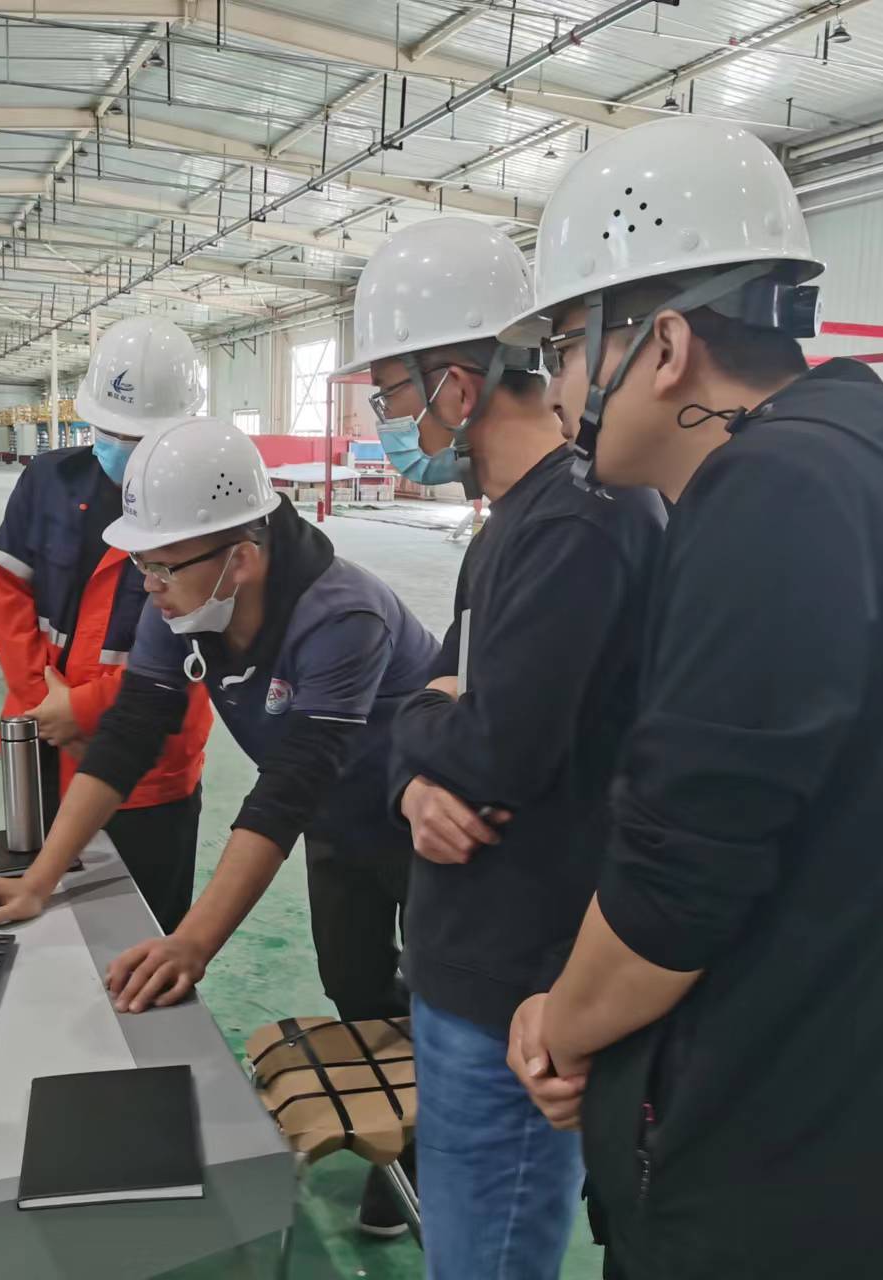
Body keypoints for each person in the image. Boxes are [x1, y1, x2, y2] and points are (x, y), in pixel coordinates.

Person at [500, 117, 883, 1279]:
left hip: (763, 1194)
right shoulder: (856, 479)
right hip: (848, 1164)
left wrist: (557, 1021)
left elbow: (680, 873)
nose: (559, 388)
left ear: (664, 344)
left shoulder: (772, 493)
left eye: (568, 348)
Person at [0, 417, 438, 1232]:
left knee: (440, 1001)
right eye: (142, 563)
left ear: (241, 557)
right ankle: (412, 1123)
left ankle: (432, 1148)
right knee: (354, 982)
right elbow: (128, 737)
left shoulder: (342, 616)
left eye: (162, 565)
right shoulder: (185, 603)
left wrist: (192, 943)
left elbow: (286, 790)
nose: (148, 584)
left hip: (430, 827)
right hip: (340, 823)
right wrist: (37, 881)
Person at [340, 217, 665, 1278]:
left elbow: (500, 752)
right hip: (464, 964)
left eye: (392, 392)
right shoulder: (512, 525)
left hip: (519, 985)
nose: (388, 420)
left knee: (488, 1253)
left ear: (458, 384)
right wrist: (413, 775)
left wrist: (434, 725)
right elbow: (428, 701)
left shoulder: (582, 523)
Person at [0, 316, 212, 933]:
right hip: (41, 742)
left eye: (140, 436)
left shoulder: (206, 506)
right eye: (111, 431)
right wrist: (45, 702)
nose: (122, 447)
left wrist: (84, 709)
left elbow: (202, 647)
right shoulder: (48, 482)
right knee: (42, 923)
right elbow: (8, 590)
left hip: (147, 763)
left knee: (143, 933)